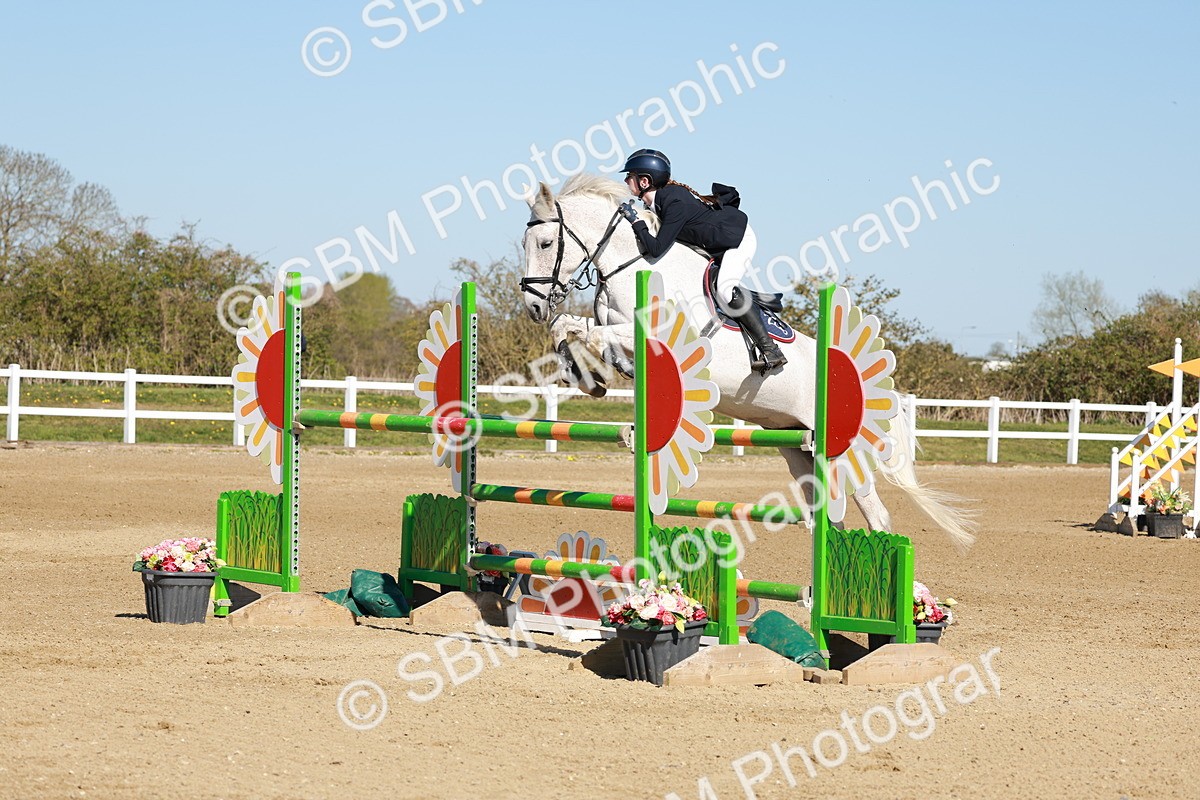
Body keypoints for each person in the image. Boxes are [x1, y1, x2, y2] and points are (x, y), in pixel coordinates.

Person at [616, 148, 787, 373]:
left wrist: (636, 222)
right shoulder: (656, 202)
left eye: (630, 176)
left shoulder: (673, 200)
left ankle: (771, 350)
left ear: (645, 181)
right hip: (714, 243)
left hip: (737, 239)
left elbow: (656, 249)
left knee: (725, 290)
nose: (626, 180)